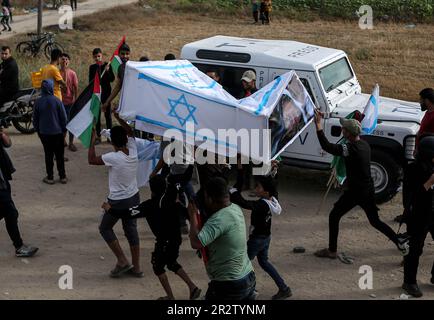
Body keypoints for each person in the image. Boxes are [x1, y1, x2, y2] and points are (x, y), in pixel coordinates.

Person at [313, 109, 409, 259]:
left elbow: (327, 147)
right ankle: (400, 243)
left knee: (334, 216)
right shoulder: (365, 144)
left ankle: (332, 251)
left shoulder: (350, 148)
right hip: (367, 190)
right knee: (375, 221)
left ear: (348, 134)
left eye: (344, 129)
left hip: (355, 192)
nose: (342, 129)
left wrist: (318, 125)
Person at [103, 175, 202, 300]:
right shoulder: (172, 201)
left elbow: (127, 213)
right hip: (176, 239)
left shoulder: (148, 206)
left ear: (152, 190)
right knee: (171, 262)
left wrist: (110, 210)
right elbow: (186, 212)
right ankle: (192, 287)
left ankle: (170, 297)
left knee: (158, 266)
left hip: (164, 241)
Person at [88, 112, 142, 278]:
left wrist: (92, 140)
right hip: (134, 197)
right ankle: (137, 267)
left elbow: (91, 159)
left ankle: (122, 260)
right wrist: (118, 118)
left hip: (117, 202)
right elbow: (131, 133)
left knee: (105, 228)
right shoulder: (133, 150)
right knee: (131, 230)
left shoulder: (113, 157)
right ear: (126, 139)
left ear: (112, 141)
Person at [229, 162, 291, 300]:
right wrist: (274, 173)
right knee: (264, 262)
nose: (256, 188)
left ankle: (249, 291)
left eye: (258, 186)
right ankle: (284, 288)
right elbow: (274, 189)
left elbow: (246, 203)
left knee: (243, 264)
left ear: (265, 192)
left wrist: (233, 193)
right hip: (266, 238)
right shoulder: (273, 201)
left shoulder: (261, 205)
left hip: (256, 239)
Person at [188, 177, 256, 300]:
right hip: (247, 276)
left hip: (229, 284)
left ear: (209, 198)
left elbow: (196, 242)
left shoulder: (218, 219)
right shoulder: (235, 208)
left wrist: (192, 216)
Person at [401, 136, 434, 298]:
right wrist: (430, 181)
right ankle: (409, 282)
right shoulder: (413, 169)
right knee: (415, 250)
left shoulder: (432, 165)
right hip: (418, 215)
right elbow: (411, 197)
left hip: (432, 213)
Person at [0, 127, 39, 258]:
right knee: (11, 213)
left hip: (3, 181)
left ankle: (19, 246)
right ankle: (19, 246)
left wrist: (1, 133)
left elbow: (8, 143)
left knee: (8, 213)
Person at [33, 80, 68, 185]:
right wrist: (63, 130)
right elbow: (64, 118)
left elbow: (35, 119)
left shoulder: (38, 102)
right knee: (59, 155)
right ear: (52, 88)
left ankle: (50, 177)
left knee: (48, 155)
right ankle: (62, 177)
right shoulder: (57, 101)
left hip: (44, 134)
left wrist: (38, 131)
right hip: (58, 133)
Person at [89, 48, 115, 144]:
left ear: (102, 55)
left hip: (106, 94)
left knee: (107, 115)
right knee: (97, 115)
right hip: (96, 94)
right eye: (95, 57)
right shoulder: (92, 67)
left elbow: (112, 79)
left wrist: (107, 71)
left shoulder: (107, 65)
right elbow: (90, 82)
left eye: (98, 56)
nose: (97, 58)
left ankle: (109, 136)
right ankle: (98, 137)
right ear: (93, 57)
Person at [101, 43, 130, 114]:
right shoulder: (120, 68)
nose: (125, 56)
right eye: (122, 54)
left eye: (127, 54)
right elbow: (118, 87)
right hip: (125, 99)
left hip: (133, 99)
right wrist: (107, 102)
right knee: (117, 114)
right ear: (119, 55)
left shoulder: (133, 67)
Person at [60, 53, 78, 152]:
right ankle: (63, 140)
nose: (65, 61)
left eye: (66, 59)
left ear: (69, 61)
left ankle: (71, 143)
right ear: (59, 61)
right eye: (63, 59)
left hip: (70, 102)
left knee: (71, 124)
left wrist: (75, 99)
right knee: (63, 123)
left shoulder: (72, 73)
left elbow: (75, 87)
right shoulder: (57, 73)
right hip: (61, 103)